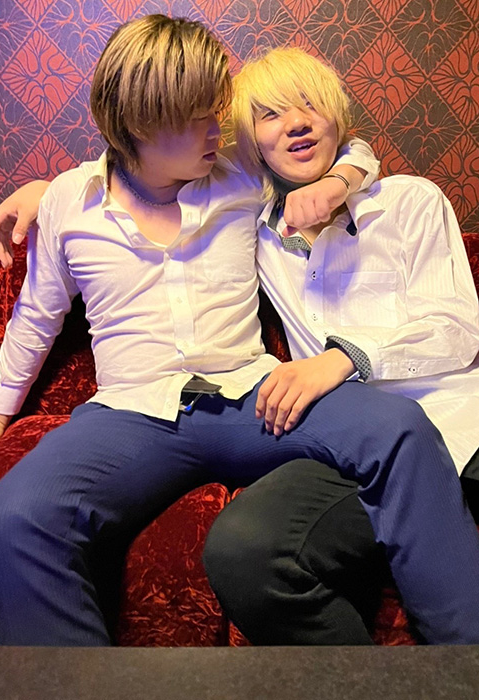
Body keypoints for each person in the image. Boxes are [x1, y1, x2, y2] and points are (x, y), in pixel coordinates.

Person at [0, 17, 478, 649]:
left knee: (398, 427)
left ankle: (465, 658)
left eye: (217, 112)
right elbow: (36, 314)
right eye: (200, 119)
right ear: (143, 126)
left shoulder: (238, 174)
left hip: (250, 397)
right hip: (132, 412)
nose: (220, 129)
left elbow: (344, 145)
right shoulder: (68, 203)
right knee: (10, 518)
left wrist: (338, 182)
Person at [202, 46, 479, 645]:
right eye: (271, 114)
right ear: (253, 143)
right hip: (347, 448)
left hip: (458, 426)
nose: (296, 123)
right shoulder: (254, 232)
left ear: (337, 117)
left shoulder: (409, 201)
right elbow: (154, 162)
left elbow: (456, 328)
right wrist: (57, 191)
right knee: (244, 550)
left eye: (310, 105)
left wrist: (343, 357)